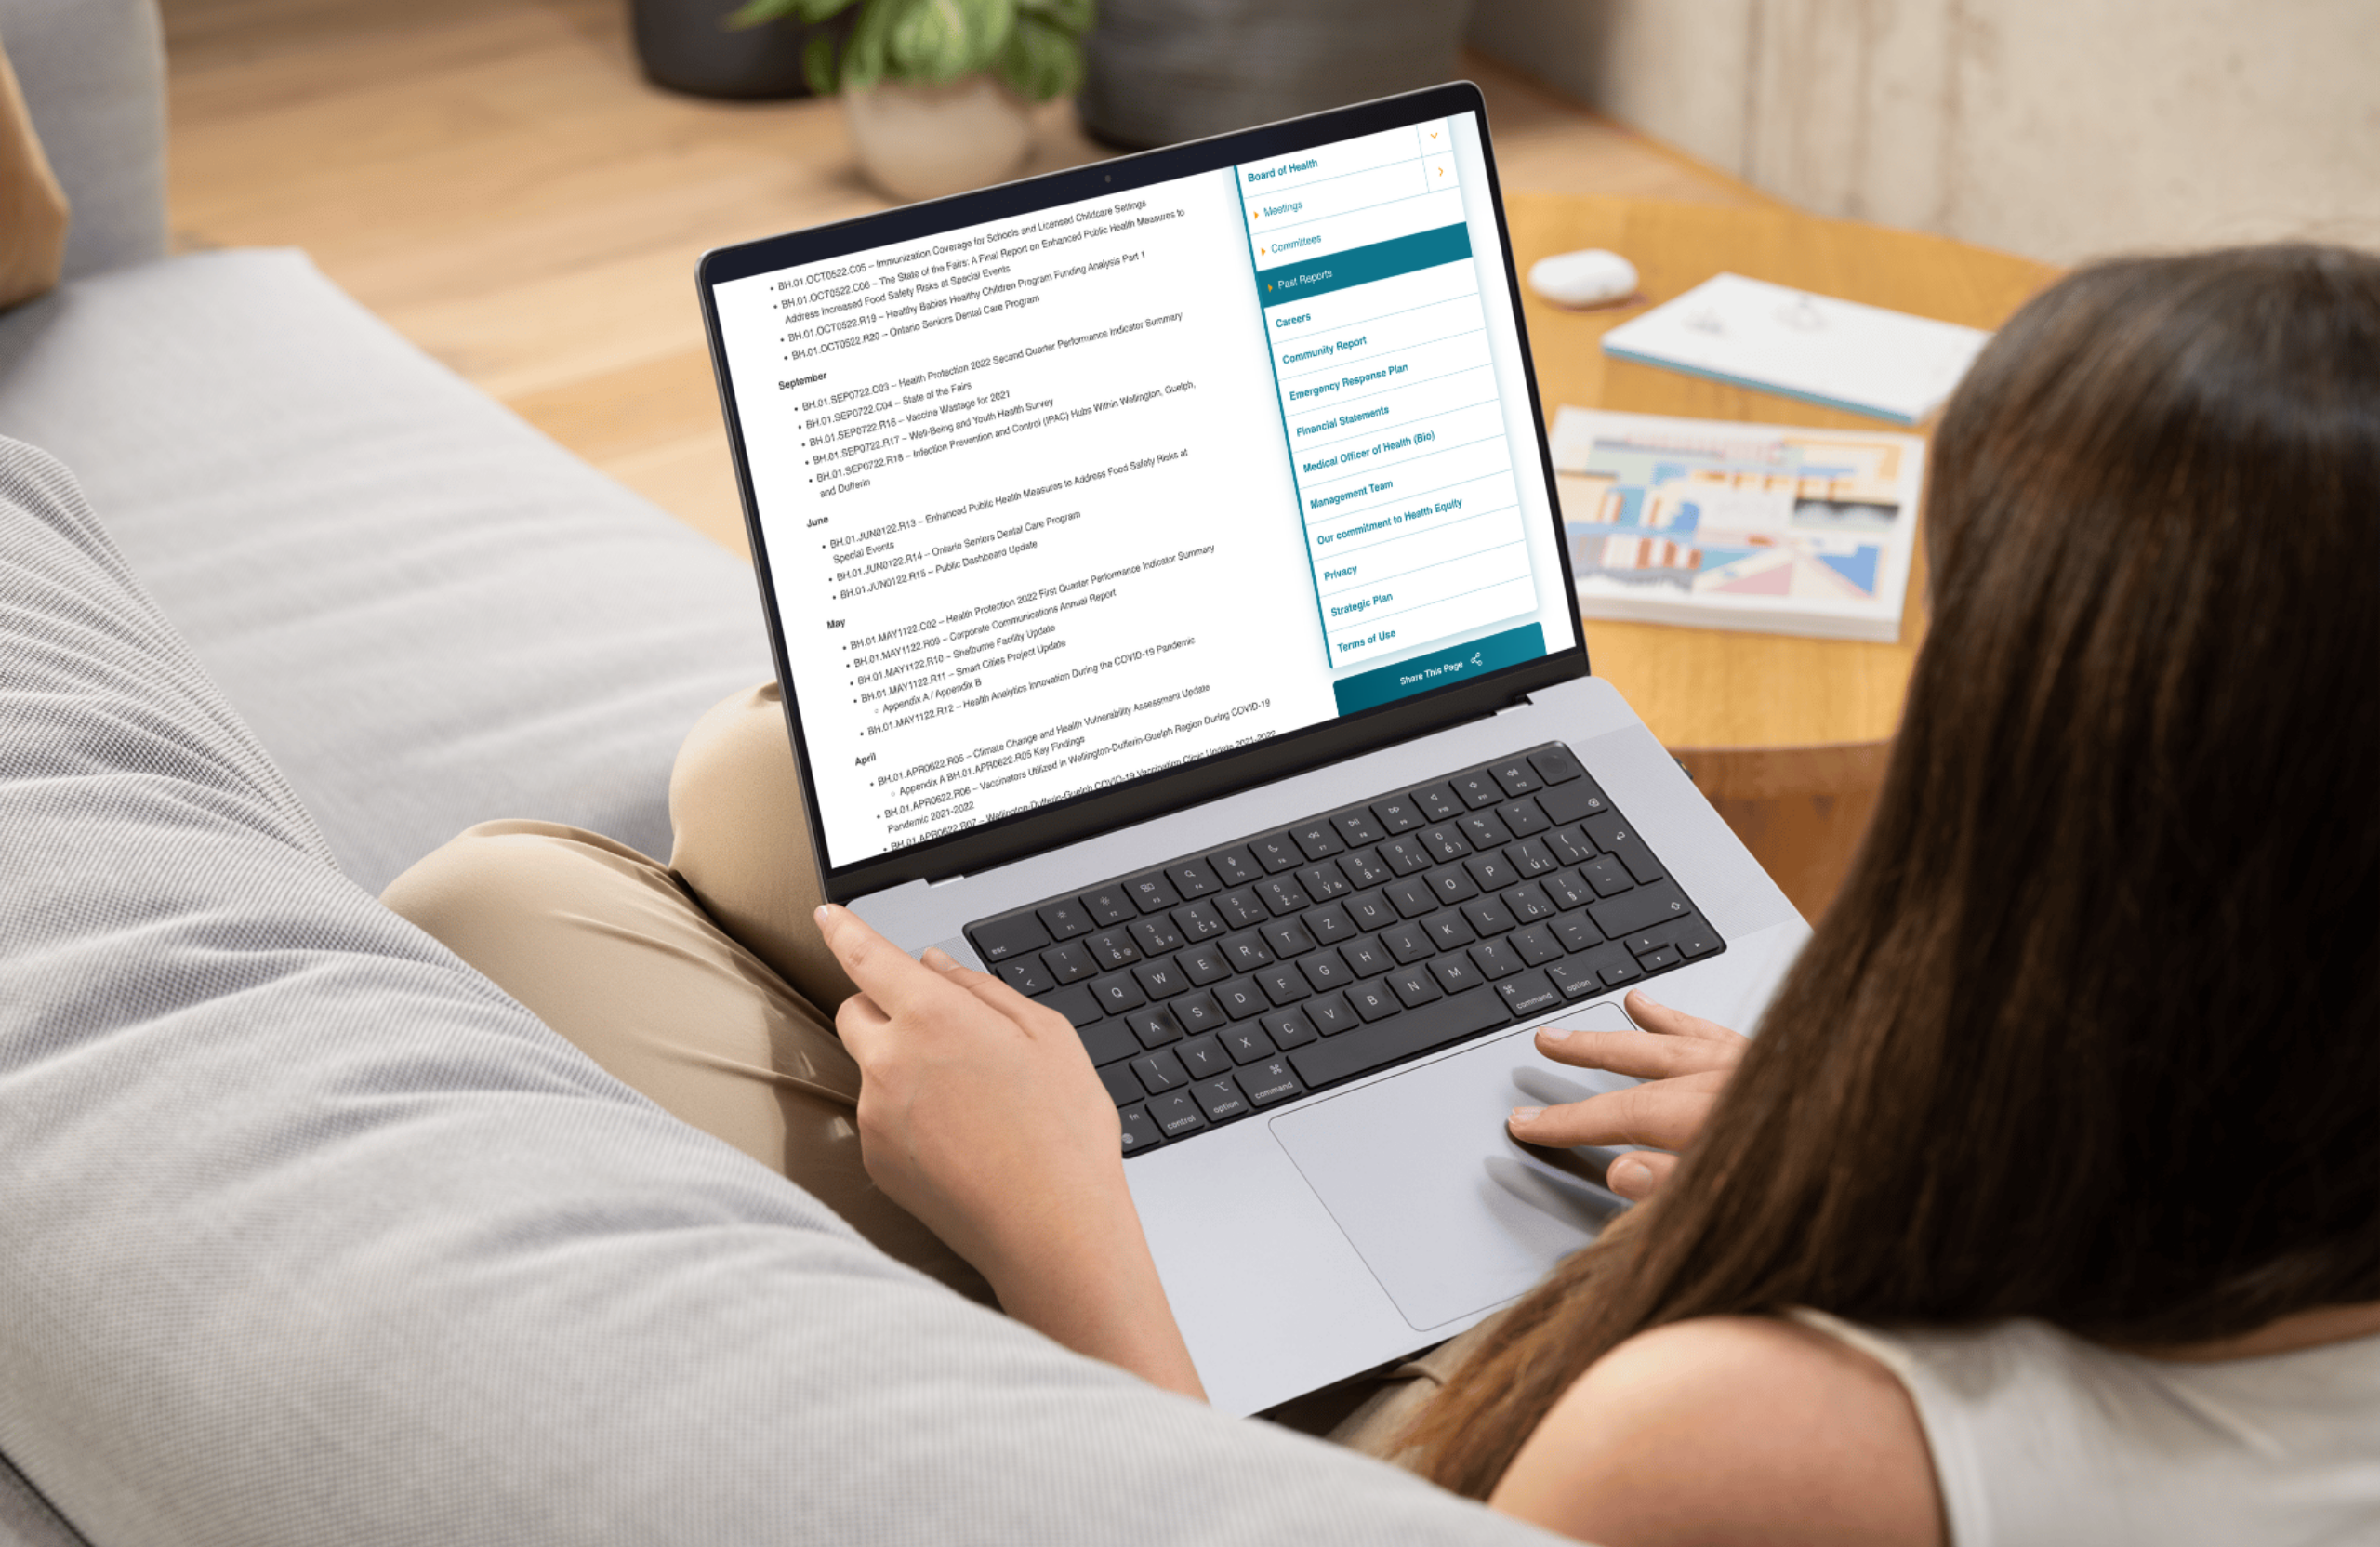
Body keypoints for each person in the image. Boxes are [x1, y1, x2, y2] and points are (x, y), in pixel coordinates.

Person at [386, 244, 2380, 1545]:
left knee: (497, 910)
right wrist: (1848, 1143)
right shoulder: (2257, 1199)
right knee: (760, 785)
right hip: (1754, 1266)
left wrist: (1065, 1226)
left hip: (1338, 1439)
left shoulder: (1749, 1441)